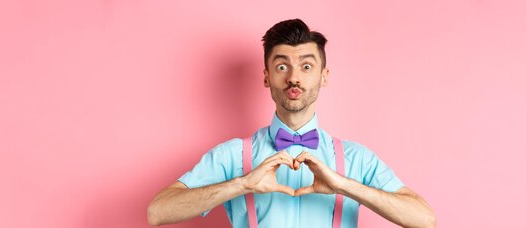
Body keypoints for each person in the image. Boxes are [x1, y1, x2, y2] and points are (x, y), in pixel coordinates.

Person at [147, 18, 436, 228]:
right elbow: (158, 212)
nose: (294, 77)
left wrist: (344, 185)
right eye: (282, 66)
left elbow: (424, 219)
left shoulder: (356, 158)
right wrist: (242, 184)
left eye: (306, 66)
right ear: (266, 76)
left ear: (323, 76)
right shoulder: (232, 156)